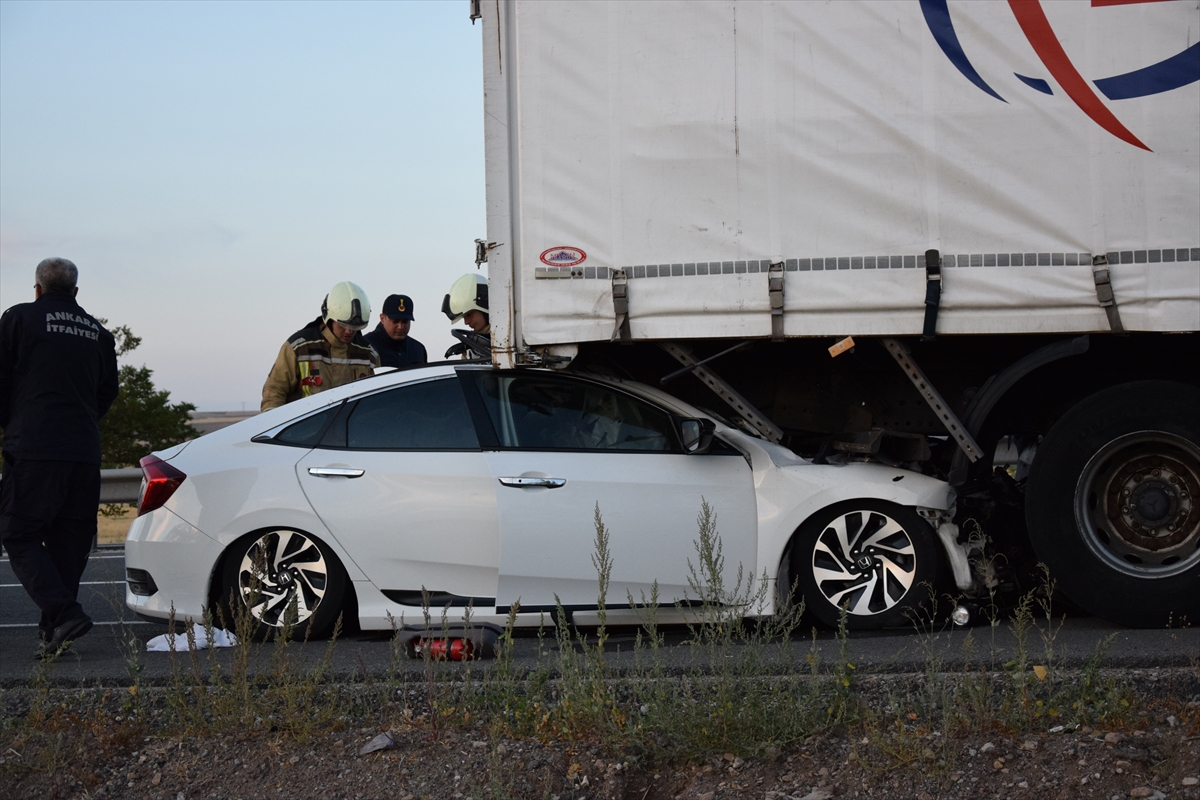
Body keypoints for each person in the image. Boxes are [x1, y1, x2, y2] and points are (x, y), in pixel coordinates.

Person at [0, 257, 119, 659]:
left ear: (37, 288)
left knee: (19, 533)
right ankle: (55, 631)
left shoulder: (19, 319)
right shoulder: (99, 334)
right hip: (83, 451)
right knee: (69, 543)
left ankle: (64, 613)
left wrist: (13, 424)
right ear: (76, 292)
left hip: (33, 448)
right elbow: (106, 394)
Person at [261, 281, 380, 411]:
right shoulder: (299, 347)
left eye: (354, 327)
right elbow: (273, 393)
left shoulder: (369, 354)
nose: (349, 331)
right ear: (329, 318)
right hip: (308, 430)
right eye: (343, 325)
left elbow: (378, 399)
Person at [363, 294, 427, 368]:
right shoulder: (366, 347)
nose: (400, 327)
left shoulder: (418, 349)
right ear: (382, 319)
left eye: (405, 322)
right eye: (395, 321)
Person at [442, 273, 491, 359]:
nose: (466, 322)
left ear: (484, 307)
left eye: (469, 314)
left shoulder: (510, 339)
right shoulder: (470, 350)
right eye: (464, 317)